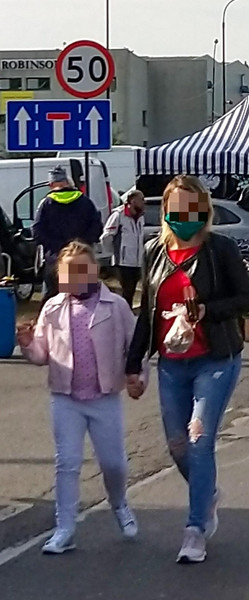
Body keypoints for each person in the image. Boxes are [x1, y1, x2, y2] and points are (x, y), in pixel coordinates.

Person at [125, 175, 249, 564]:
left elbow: (246, 298)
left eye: (192, 209)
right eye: (177, 209)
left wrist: (205, 311)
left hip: (216, 358)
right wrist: (133, 365)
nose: (185, 216)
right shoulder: (155, 251)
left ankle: (195, 527)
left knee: (199, 439)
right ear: (166, 211)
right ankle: (209, 493)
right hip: (172, 363)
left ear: (204, 211)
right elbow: (147, 312)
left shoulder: (220, 248)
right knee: (177, 446)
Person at [17, 241, 139, 554]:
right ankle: (65, 528)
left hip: (103, 397)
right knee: (67, 463)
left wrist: (137, 377)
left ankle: (119, 503)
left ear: (95, 270)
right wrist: (29, 343)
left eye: (83, 270)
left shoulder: (116, 306)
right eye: (69, 272)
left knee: (113, 464)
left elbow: (135, 348)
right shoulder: (54, 307)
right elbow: (42, 354)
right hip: (66, 397)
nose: (76, 277)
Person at [33, 167, 102, 297]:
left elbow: (37, 231)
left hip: (55, 259)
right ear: (67, 182)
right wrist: (82, 245)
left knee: (54, 301)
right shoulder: (85, 202)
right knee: (84, 300)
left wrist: (56, 247)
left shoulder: (46, 203)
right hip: (82, 259)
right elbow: (97, 227)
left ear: (51, 185)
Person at [101, 188, 147, 305]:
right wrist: (112, 253)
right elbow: (106, 236)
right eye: (141, 199)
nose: (143, 202)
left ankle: (128, 316)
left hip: (137, 262)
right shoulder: (118, 215)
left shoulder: (141, 216)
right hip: (122, 262)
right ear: (132, 200)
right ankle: (123, 316)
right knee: (126, 291)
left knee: (132, 292)